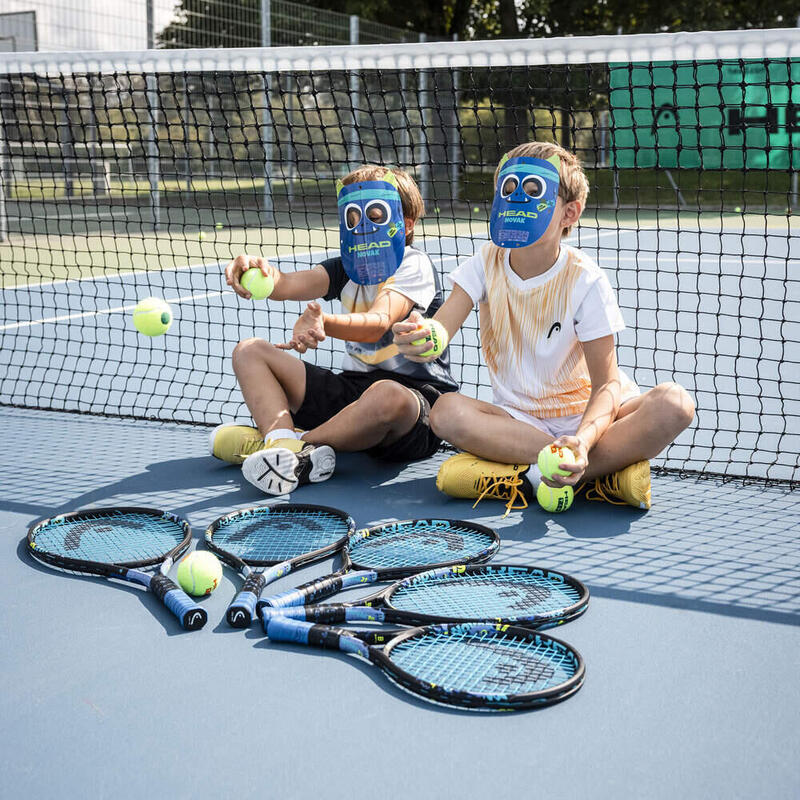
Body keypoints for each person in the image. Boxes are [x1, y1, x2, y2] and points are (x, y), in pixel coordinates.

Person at [392, 141, 695, 513]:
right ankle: (599, 474)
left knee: (675, 405)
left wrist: (583, 441)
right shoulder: (484, 262)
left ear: (570, 212)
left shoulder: (585, 279)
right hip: (518, 422)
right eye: (508, 189)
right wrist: (423, 336)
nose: (517, 199)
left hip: (590, 417)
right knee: (444, 413)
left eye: (534, 191)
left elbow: (607, 384)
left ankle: (544, 474)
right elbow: (442, 329)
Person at [211, 165, 457, 495]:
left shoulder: (412, 264)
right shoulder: (346, 268)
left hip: (412, 409)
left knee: (386, 394)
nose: (361, 227)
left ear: (406, 223)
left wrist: (323, 322)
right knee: (249, 351)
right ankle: (281, 444)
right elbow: (287, 284)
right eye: (352, 219)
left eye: (374, 214)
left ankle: (295, 446)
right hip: (349, 394)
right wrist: (256, 270)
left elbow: (378, 324)